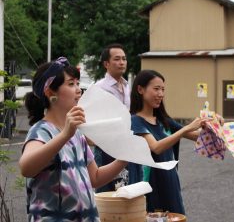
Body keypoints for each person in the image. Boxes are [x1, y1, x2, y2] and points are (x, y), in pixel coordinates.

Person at [19, 57, 127, 221]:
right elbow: (26, 168)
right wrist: (64, 135)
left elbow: (95, 177)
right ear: (50, 93)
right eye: (71, 84)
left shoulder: (76, 133)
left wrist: (125, 158)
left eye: (77, 83)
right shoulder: (41, 131)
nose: (79, 90)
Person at [128, 70, 215, 215]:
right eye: (156, 89)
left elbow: (196, 136)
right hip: (150, 186)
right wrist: (185, 128)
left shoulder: (164, 121)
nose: (161, 94)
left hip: (170, 182)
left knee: (176, 216)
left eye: (163, 89)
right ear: (140, 89)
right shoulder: (135, 121)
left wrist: (213, 126)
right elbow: (155, 147)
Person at [94, 43, 130, 192]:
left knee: (125, 189)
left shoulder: (127, 86)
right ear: (106, 64)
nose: (121, 62)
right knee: (106, 192)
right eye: (117, 59)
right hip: (105, 146)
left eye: (124, 59)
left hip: (125, 144)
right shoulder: (99, 88)